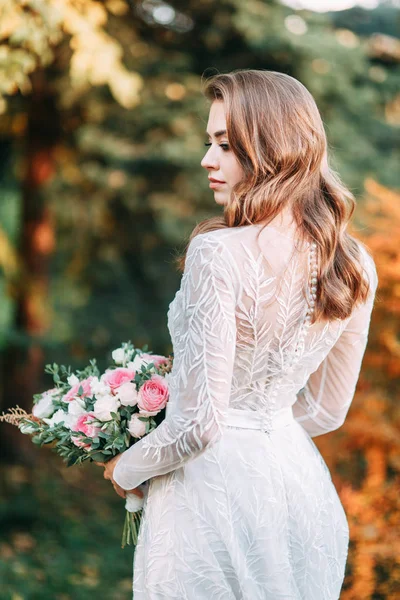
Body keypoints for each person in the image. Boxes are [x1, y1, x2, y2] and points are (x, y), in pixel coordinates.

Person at [100, 70, 378, 599]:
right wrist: (260, 433)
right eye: (210, 143)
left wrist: (127, 468)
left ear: (275, 148)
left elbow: (200, 426)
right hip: (299, 490)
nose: (207, 160)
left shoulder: (217, 253)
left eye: (225, 145)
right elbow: (327, 411)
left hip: (210, 496)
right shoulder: (356, 263)